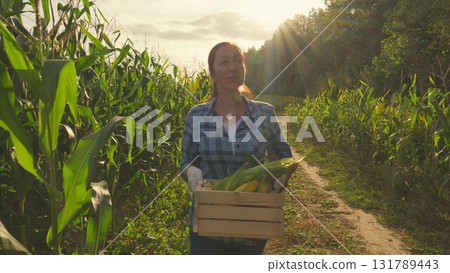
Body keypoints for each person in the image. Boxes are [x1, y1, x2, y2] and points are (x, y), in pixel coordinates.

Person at [180, 41, 293, 255]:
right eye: (224, 62)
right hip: (207, 222)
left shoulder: (264, 113)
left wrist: (281, 174)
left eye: (237, 61)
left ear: (244, 68)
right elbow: (187, 159)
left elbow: (283, 152)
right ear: (212, 74)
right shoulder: (197, 115)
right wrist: (190, 171)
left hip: (252, 221)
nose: (232, 67)